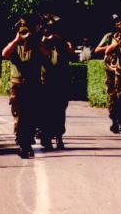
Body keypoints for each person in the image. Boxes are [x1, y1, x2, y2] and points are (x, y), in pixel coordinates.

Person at [2, 16, 44, 158]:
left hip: (33, 85)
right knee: (19, 115)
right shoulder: (15, 46)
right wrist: (16, 40)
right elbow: (4, 53)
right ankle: (22, 143)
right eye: (22, 31)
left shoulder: (37, 45)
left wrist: (36, 41)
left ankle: (27, 142)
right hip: (18, 85)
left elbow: (48, 56)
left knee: (32, 115)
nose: (24, 34)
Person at [40, 17, 74, 150]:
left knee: (60, 111)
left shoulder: (63, 44)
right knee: (46, 111)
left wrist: (58, 39)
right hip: (46, 82)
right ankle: (46, 137)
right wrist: (44, 39)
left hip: (61, 82)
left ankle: (59, 137)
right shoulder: (42, 42)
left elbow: (70, 52)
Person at [94, 14, 121, 134]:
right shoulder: (108, 36)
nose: (118, 23)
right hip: (111, 70)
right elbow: (97, 50)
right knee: (113, 96)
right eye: (116, 21)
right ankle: (115, 121)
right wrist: (112, 45)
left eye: (120, 21)